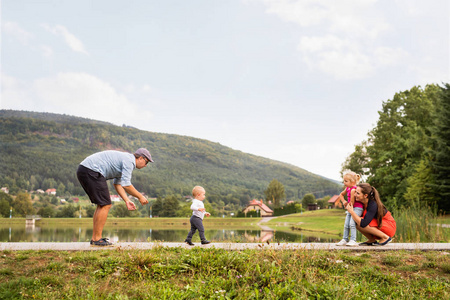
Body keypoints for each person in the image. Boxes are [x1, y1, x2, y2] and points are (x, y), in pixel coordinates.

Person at [76, 148, 153, 246]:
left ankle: (95, 238)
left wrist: (126, 200)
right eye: (147, 162)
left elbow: (118, 184)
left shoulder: (126, 160)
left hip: (85, 169)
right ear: (141, 158)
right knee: (105, 205)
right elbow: (127, 185)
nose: (146, 165)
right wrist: (140, 197)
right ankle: (96, 239)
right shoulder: (129, 161)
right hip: (92, 170)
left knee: (102, 205)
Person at [336, 171, 363, 246]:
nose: (344, 183)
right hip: (350, 208)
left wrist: (347, 205)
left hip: (357, 208)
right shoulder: (347, 188)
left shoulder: (354, 189)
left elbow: (352, 203)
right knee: (346, 224)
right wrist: (344, 201)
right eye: (344, 181)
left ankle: (353, 240)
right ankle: (345, 239)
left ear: (353, 181)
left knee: (352, 223)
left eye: (346, 181)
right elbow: (341, 195)